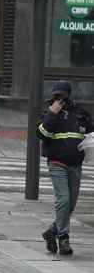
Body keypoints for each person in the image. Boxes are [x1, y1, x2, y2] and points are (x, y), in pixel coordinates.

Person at [38, 80, 89, 257]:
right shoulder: (49, 113)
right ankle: (63, 237)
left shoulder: (81, 113)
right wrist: (52, 114)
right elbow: (41, 134)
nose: (60, 100)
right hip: (57, 162)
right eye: (56, 96)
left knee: (70, 205)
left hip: (75, 164)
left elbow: (89, 134)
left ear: (69, 95)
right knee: (63, 200)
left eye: (63, 96)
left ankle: (51, 231)